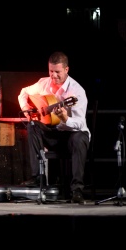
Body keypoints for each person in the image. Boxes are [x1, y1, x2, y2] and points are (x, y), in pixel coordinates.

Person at [18, 51, 90, 204]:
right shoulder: (43, 83)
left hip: (73, 134)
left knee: (79, 138)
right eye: (51, 71)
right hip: (55, 132)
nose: (53, 75)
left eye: (57, 72)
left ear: (66, 70)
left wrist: (65, 118)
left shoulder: (77, 92)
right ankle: (37, 177)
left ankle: (77, 190)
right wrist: (25, 107)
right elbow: (23, 92)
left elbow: (79, 123)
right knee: (33, 126)